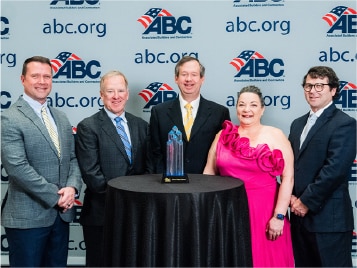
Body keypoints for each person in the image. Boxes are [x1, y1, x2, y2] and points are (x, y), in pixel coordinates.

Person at [1, 56, 82, 267]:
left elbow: (72, 158)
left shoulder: (61, 117)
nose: (42, 81)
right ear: (22, 79)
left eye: (47, 76)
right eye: (35, 76)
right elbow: (17, 168)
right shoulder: (10, 118)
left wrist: (72, 187)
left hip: (60, 216)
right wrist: (55, 197)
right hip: (28, 218)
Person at [204, 85, 294, 267]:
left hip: (264, 211)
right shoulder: (223, 135)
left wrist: (279, 217)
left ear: (262, 109)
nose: (247, 110)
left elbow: (288, 178)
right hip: (228, 210)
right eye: (241, 104)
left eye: (253, 105)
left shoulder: (276, 135)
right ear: (236, 108)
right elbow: (208, 173)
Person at [75, 70, 151, 267]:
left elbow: (148, 169)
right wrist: (125, 199)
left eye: (120, 90)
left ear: (127, 94)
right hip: (102, 214)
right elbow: (92, 175)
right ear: (101, 95)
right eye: (110, 91)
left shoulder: (141, 126)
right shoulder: (88, 127)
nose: (116, 96)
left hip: (137, 215)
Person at [288, 66, 356, 267]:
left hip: (328, 221)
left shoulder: (344, 123)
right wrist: (290, 198)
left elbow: (334, 170)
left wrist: (305, 202)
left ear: (333, 90)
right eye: (309, 86)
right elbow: (291, 165)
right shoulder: (297, 124)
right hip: (299, 220)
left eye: (319, 85)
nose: (313, 90)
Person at [149, 56, 230, 174]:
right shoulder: (159, 112)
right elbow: (155, 154)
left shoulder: (220, 113)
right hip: (169, 186)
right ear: (176, 78)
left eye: (194, 74)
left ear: (202, 79)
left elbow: (223, 155)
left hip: (208, 186)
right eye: (184, 74)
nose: (188, 79)